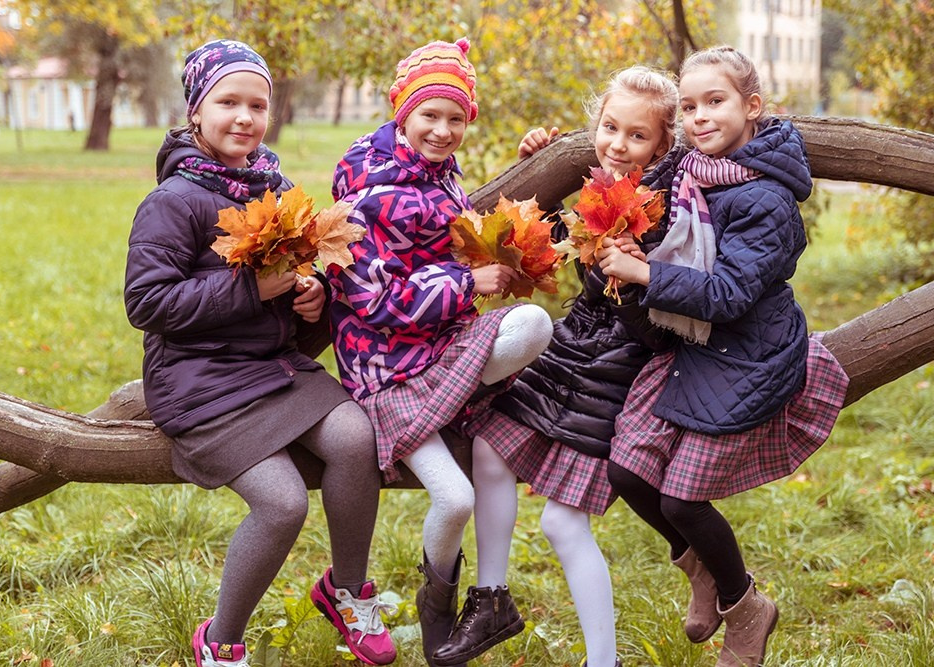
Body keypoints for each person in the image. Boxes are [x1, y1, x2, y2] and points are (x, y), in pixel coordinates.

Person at [123, 39, 395, 667]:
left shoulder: (275, 187)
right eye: (227, 102)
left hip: (273, 369)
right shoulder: (175, 201)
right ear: (196, 110)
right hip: (199, 382)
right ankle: (220, 641)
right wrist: (252, 288)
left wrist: (311, 294)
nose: (243, 117)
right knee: (282, 502)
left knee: (356, 436)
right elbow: (149, 303)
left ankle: (347, 589)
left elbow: (304, 266)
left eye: (257, 104)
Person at [598, 46, 849, 667]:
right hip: (695, 346)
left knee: (682, 499)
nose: (699, 117)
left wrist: (644, 269)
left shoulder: (764, 199)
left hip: (748, 354)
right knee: (627, 472)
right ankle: (706, 573)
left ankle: (746, 608)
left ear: (751, 107)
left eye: (716, 102)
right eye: (688, 107)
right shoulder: (694, 169)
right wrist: (540, 152)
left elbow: (732, 293)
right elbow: (627, 146)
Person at [441, 66, 681, 667]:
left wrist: (626, 270)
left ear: (663, 146)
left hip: (619, 368)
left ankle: (605, 661)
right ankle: (491, 598)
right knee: (493, 450)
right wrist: (543, 169)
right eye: (609, 128)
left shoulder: (668, 211)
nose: (618, 145)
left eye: (637, 137)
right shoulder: (600, 187)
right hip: (576, 347)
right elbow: (549, 247)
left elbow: (656, 322)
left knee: (562, 524)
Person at [324, 38, 553, 667]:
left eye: (456, 117)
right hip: (387, 372)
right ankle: (437, 607)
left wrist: (534, 161)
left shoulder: (440, 178)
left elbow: (460, 229)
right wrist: (464, 285)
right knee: (454, 500)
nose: (444, 129)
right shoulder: (365, 187)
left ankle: (438, 620)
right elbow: (371, 298)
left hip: (441, 351)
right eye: (430, 114)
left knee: (533, 324)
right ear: (402, 112)